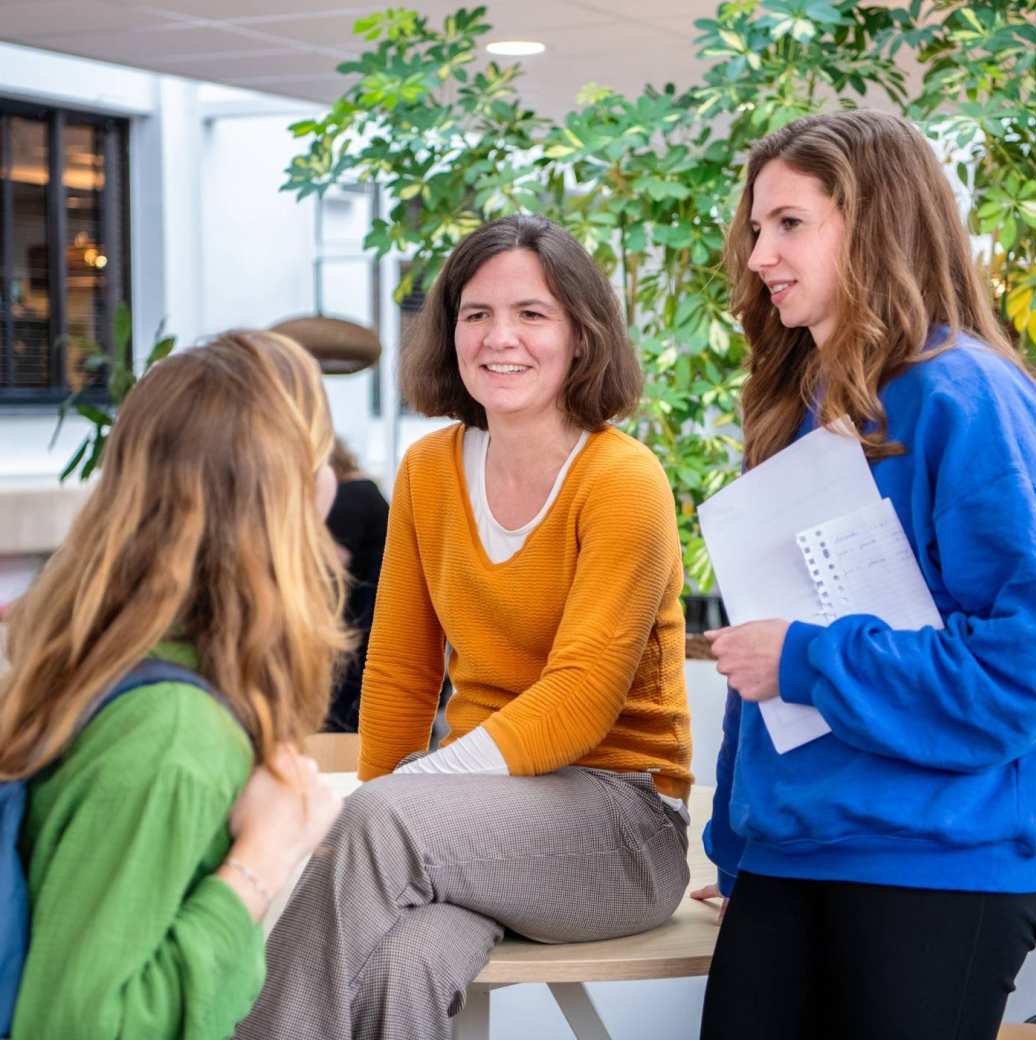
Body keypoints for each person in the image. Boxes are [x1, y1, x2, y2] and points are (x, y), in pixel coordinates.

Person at [236, 214, 693, 1040]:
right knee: (403, 967)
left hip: (622, 827)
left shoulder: (625, 480)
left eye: (531, 314)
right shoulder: (430, 470)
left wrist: (396, 799)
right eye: (475, 314)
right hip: (473, 820)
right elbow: (402, 673)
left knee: (380, 819)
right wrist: (393, 790)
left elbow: (582, 696)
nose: (498, 338)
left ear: (582, 336)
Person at [695, 109, 1036, 1040]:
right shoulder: (797, 408)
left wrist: (808, 662)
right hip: (793, 859)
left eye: (791, 224)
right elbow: (759, 660)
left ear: (876, 222)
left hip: (935, 863)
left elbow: (1023, 667)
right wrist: (739, 848)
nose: (760, 253)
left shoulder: (966, 397)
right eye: (757, 227)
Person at [0, 331, 350, 1039]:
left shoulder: (105, 670)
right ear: (290, 495)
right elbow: (78, 1026)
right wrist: (261, 858)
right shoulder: (175, 736)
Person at [323, 437, 390, 732]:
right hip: (377, 613)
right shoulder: (366, 491)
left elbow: (332, 562)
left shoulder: (348, 497)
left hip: (360, 620)